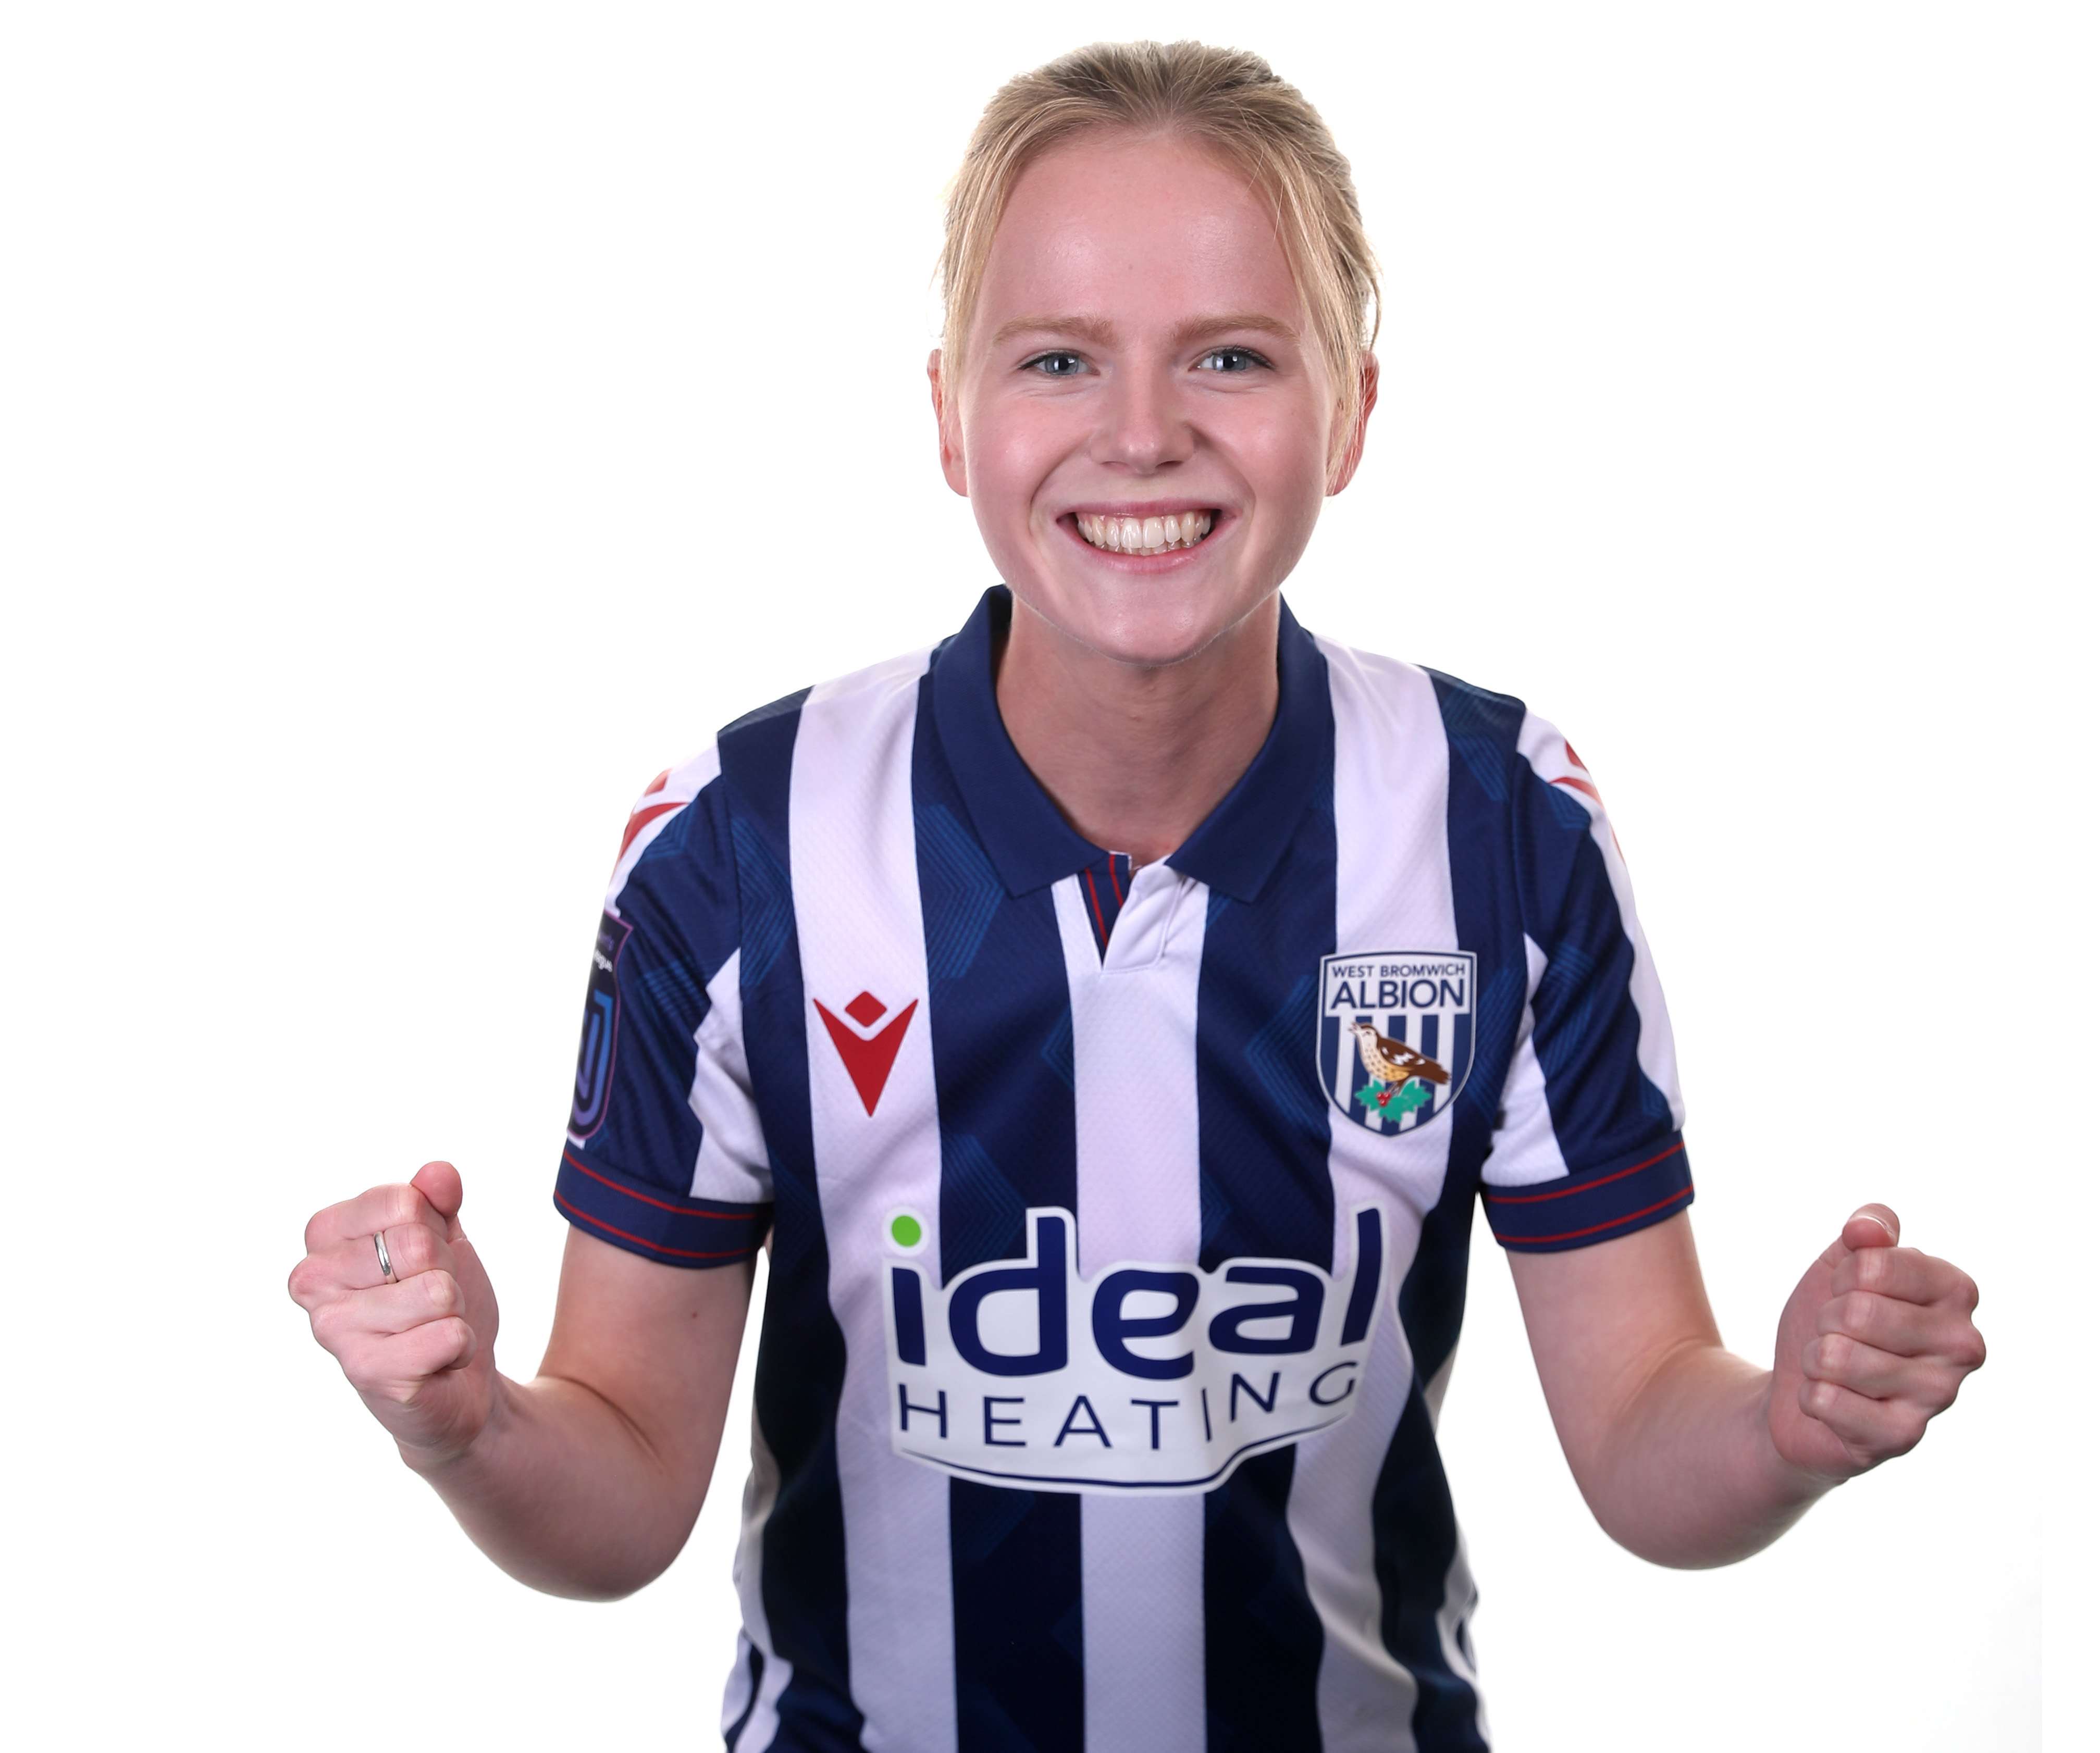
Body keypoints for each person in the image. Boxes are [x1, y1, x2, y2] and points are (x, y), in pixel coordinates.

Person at [288, 40, 1984, 1752]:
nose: (1144, 435)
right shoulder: (742, 842)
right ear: (950, 415)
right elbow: (624, 1488)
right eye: (1059, 361)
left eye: (1232, 356)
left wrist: (1789, 1423)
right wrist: (466, 1423)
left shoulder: (1497, 825)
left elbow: (1642, 1442)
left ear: (1357, 409)